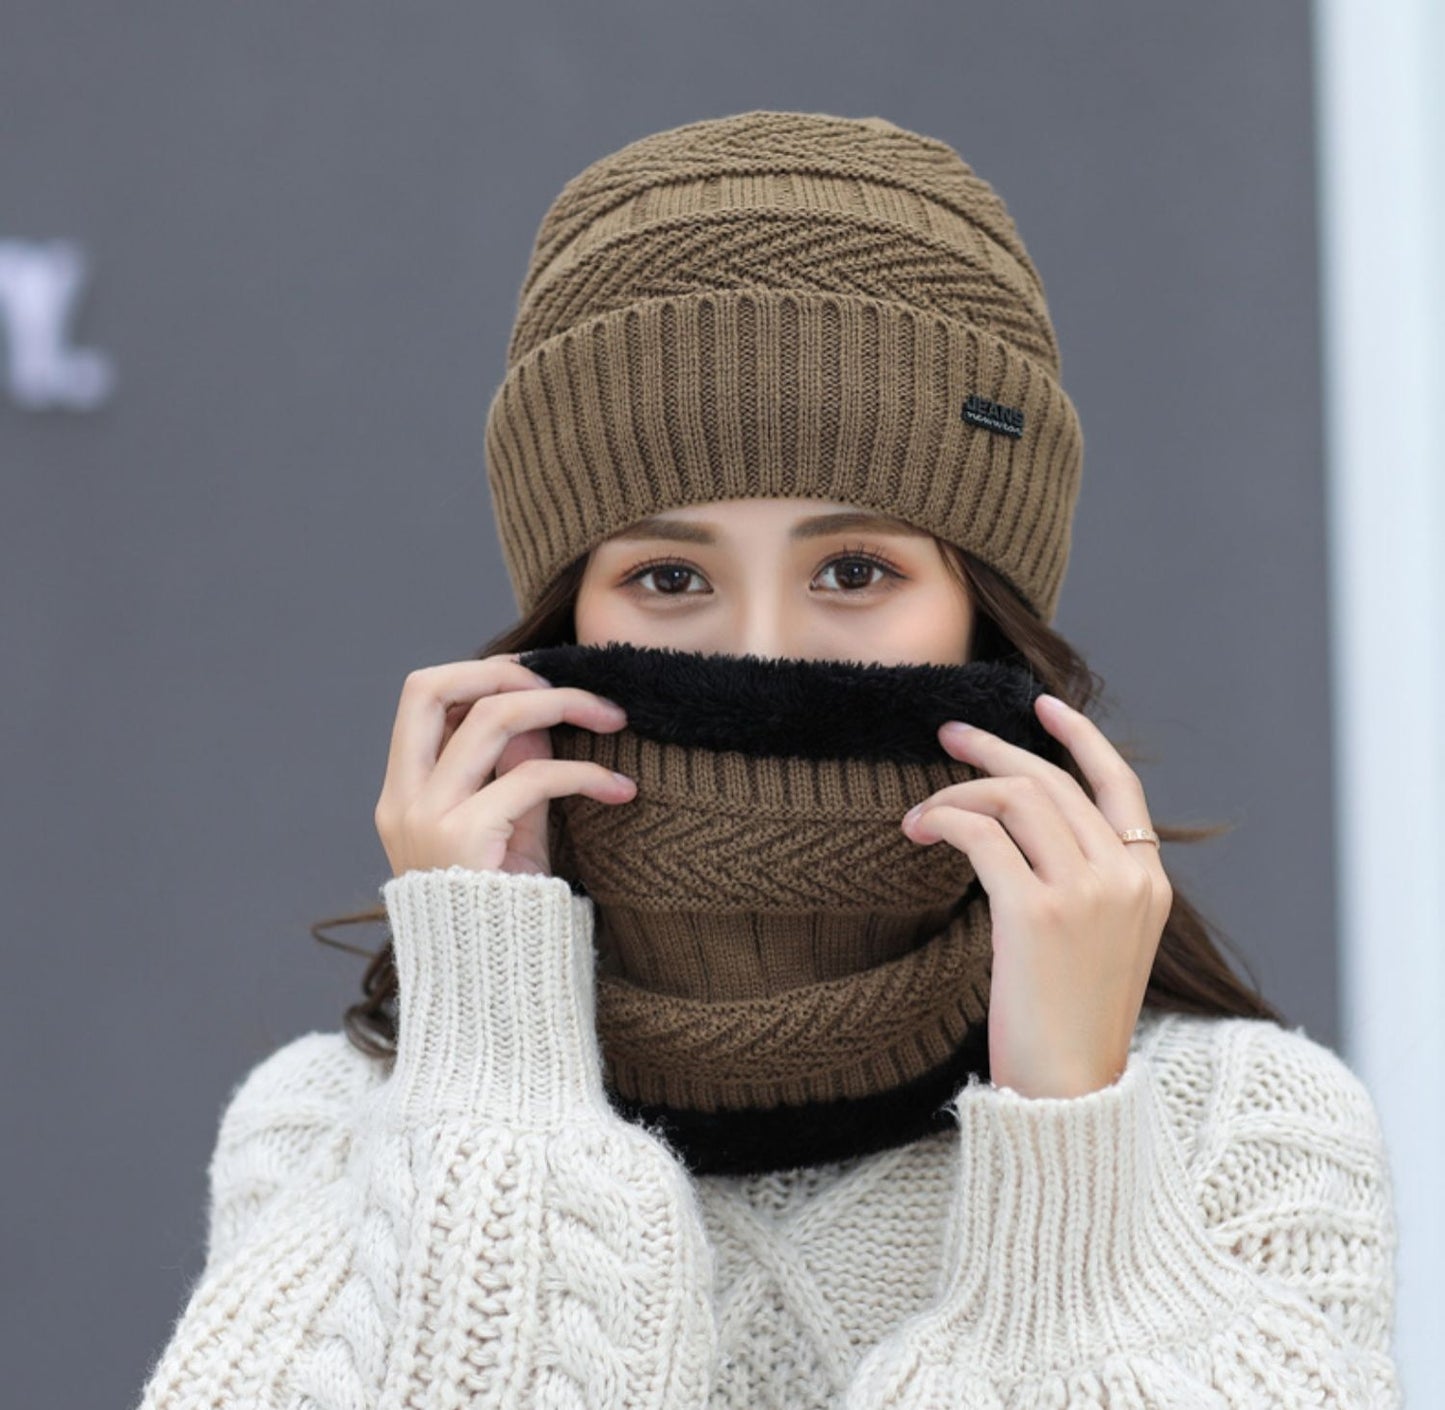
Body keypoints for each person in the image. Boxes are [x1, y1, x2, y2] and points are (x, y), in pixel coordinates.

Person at [134, 110, 1400, 1408]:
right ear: (566, 617)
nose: (759, 648)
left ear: (983, 611)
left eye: (854, 570)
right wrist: (490, 1058)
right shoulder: (334, 1132)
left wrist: (1069, 1155)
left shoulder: (1239, 1135)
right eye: (667, 575)